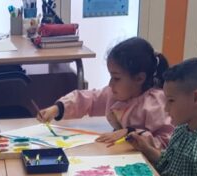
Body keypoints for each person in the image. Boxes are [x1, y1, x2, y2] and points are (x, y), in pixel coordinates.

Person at [36, 36, 173, 147]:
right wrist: (58, 108)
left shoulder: (156, 104)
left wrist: (130, 133)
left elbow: (165, 142)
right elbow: (89, 99)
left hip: (147, 166)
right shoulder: (114, 94)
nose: (110, 84)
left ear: (139, 79)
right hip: (122, 154)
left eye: (116, 78)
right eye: (111, 77)